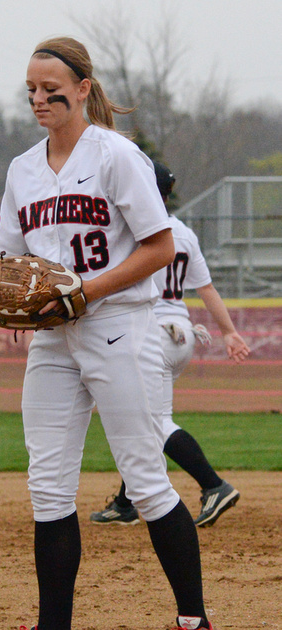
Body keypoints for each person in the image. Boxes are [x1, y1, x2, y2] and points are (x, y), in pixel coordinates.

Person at [0, 37, 214, 630]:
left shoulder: (116, 155)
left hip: (119, 325)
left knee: (144, 478)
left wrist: (88, 291)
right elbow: (7, 259)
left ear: (84, 89)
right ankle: (53, 625)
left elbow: (161, 246)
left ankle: (193, 619)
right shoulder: (23, 169)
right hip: (53, 340)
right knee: (48, 486)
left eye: (52, 89)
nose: (40, 100)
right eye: (31, 91)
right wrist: (13, 298)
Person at [90, 162, 250, 528]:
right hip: (182, 335)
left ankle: (213, 485)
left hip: (151, 333)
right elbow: (205, 288)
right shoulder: (183, 233)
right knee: (144, 415)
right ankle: (125, 502)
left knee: (152, 421)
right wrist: (228, 332)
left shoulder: (132, 228)